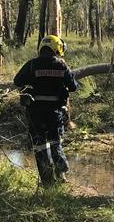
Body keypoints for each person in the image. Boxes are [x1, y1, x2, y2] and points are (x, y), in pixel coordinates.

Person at [14, 35, 78, 186]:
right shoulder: (62, 66)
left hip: (35, 114)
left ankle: (47, 181)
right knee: (56, 142)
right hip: (55, 113)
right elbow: (73, 87)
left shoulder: (31, 65)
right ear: (57, 49)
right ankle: (61, 174)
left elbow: (17, 81)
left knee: (40, 145)